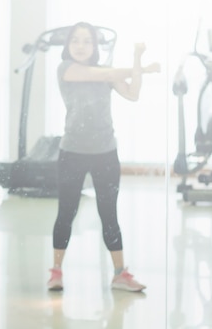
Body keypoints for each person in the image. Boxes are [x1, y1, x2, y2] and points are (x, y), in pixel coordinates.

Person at [47, 22, 160, 292]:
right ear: (68, 45)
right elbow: (94, 75)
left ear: (95, 46)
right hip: (72, 152)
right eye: (76, 40)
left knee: (109, 214)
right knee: (66, 212)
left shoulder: (106, 73)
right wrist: (142, 69)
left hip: (105, 154)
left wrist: (136, 59)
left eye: (87, 41)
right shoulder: (66, 69)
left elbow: (133, 94)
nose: (81, 46)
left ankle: (120, 274)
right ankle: (56, 272)